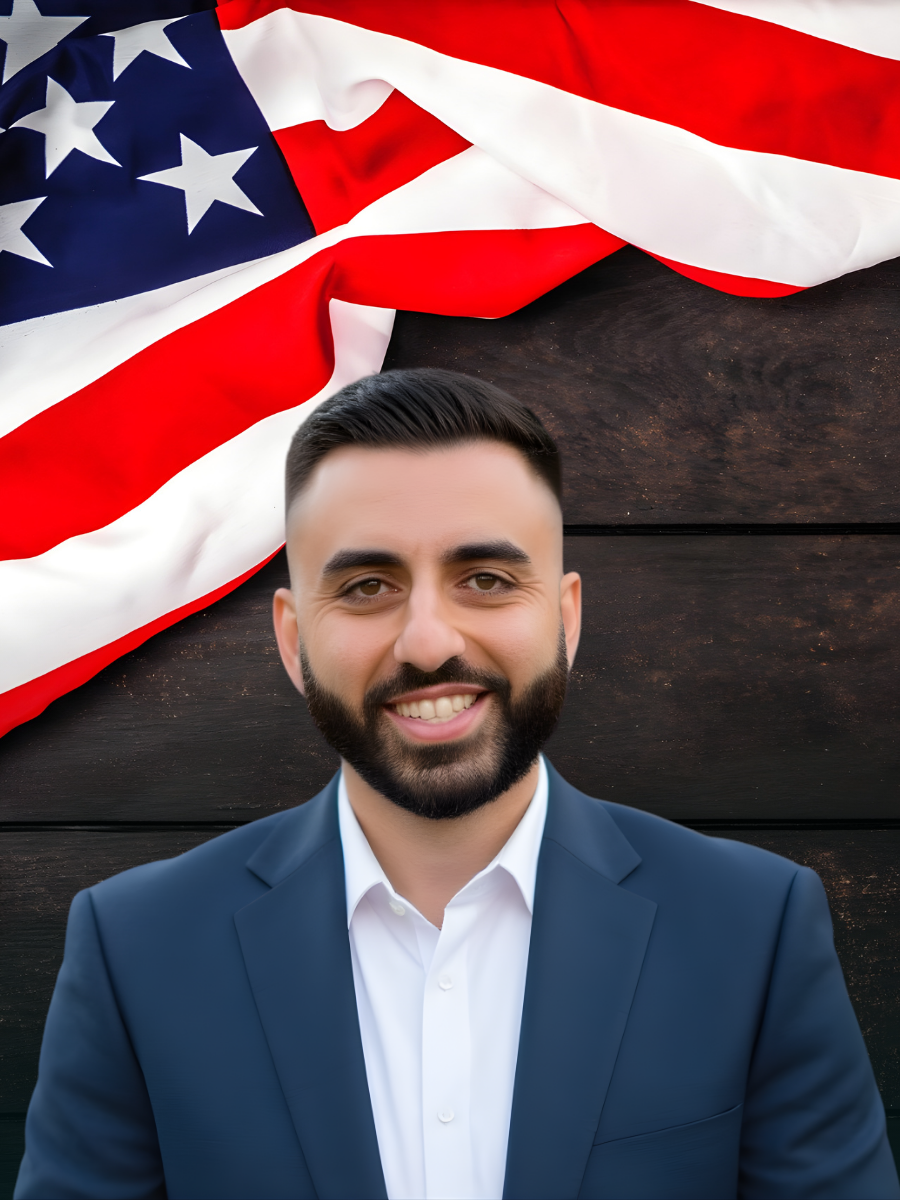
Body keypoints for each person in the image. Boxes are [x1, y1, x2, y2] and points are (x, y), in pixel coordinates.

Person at [15, 369, 899, 1200]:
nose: (428, 641)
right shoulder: (136, 948)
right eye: (366, 586)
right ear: (292, 641)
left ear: (565, 617)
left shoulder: (753, 928)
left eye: (484, 579)